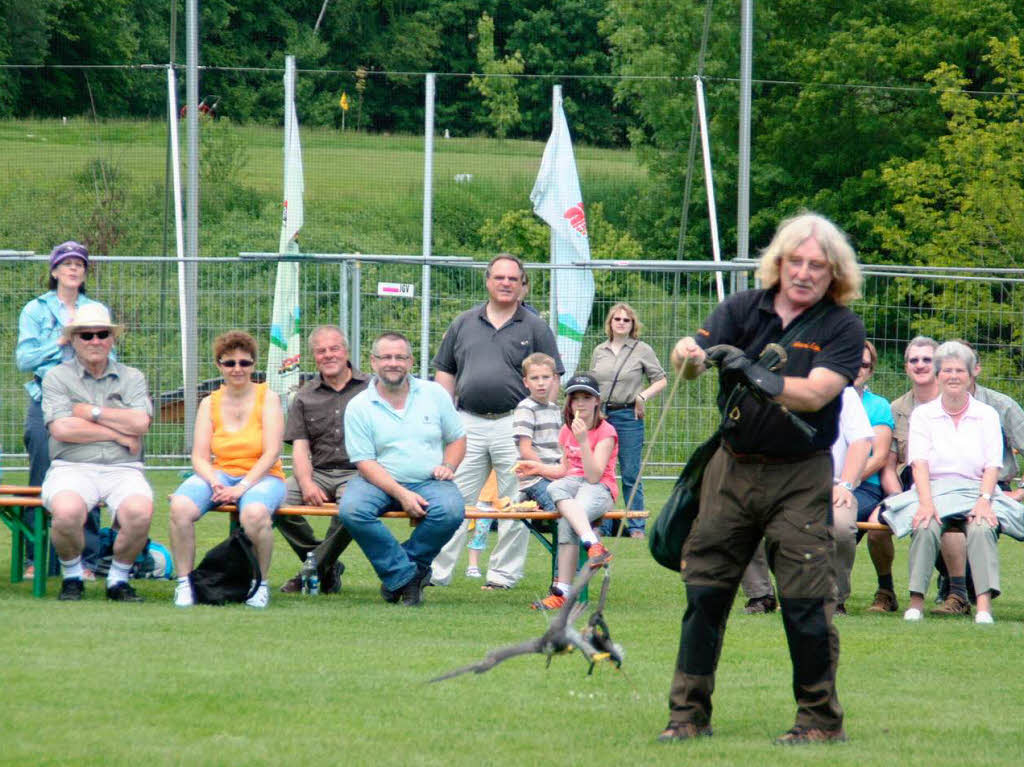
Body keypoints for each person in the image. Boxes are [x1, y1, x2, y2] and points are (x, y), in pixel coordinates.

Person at [663, 212, 864, 745]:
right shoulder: (740, 308)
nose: (803, 272)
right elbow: (689, 366)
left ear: (834, 273)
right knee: (704, 591)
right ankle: (687, 716)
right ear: (778, 262)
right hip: (731, 468)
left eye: (816, 265)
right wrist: (686, 353)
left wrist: (751, 370)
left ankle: (819, 721)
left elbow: (818, 393)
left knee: (804, 601)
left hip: (800, 473)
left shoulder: (841, 325)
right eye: (795, 261)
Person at [430, 254, 563, 591]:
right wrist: (448, 417)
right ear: (487, 281)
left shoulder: (535, 327)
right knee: (452, 500)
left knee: (516, 502)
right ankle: (436, 572)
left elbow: (554, 375)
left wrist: (542, 420)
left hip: (516, 427)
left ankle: (502, 576)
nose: (506, 283)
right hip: (467, 425)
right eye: (499, 277)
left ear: (523, 285)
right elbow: (445, 370)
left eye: (513, 279)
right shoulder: (463, 322)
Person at [340, 332, 466, 606]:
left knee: (452, 510)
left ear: (410, 362)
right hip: (376, 481)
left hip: (429, 479)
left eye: (400, 357)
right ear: (373, 362)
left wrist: (449, 464)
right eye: (386, 357)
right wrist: (401, 494)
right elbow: (365, 462)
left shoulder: (434, 394)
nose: (393, 363)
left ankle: (402, 570)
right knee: (352, 510)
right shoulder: (359, 406)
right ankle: (407, 576)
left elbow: (457, 437)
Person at [40, 304, 154, 602]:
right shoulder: (56, 377)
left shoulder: (133, 377)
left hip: (124, 468)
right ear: (74, 340)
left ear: (112, 339)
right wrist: (117, 431)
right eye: (86, 335)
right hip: (71, 465)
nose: (95, 341)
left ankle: (118, 579)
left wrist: (89, 412)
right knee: (65, 514)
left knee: (140, 513)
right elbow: (62, 429)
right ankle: (73, 575)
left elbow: (140, 422)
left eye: (102, 334)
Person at [887, 342, 1003, 624]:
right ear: (938, 375)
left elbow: (993, 465)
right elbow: (919, 464)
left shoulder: (987, 414)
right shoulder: (923, 415)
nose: (953, 376)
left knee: (981, 525)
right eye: (947, 370)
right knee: (925, 523)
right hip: (933, 490)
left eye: (959, 370)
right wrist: (925, 504)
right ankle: (916, 603)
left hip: (977, 490)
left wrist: (984, 501)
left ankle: (984, 607)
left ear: (971, 375)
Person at [169, 331, 286, 609]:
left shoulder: (268, 398)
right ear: (219, 365)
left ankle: (260, 584)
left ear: (254, 365)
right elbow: (198, 456)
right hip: (220, 473)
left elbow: (272, 453)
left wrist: (242, 487)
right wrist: (216, 484)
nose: (237, 369)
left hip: (263, 476)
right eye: (229, 363)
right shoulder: (209, 402)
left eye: (244, 363)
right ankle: (184, 583)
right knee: (180, 507)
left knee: (255, 514)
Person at [16, 240, 108, 578]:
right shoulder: (35, 310)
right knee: (41, 476)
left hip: (85, 403)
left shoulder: (95, 309)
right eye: (67, 264)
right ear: (54, 271)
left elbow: (108, 356)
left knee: (90, 476)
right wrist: (61, 341)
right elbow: (24, 359)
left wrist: (89, 350)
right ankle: (33, 557)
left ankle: (87, 560)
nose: (73, 269)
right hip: (45, 401)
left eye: (80, 265)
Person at [275, 325, 370, 594]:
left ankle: (314, 567)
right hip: (317, 470)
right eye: (321, 351)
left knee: (353, 508)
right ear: (313, 356)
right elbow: (300, 448)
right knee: (274, 500)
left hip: (360, 472)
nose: (328, 355)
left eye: (334, 348)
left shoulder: (372, 389)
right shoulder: (304, 396)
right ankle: (326, 563)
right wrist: (306, 484)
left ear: (346, 351)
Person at [518, 372, 616, 610]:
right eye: (575, 398)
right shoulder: (566, 430)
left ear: (596, 401)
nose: (580, 403)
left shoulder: (606, 431)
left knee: (568, 521)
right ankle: (593, 545)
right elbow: (565, 469)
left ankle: (562, 591)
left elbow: (594, 476)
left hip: (599, 487)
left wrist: (583, 440)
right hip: (572, 485)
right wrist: (538, 467)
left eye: (586, 397)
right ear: (569, 403)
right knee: (556, 488)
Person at [590, 302, 667, 539]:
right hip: (602, 415)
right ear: (610, 323)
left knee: (631, 471)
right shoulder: (599, 350)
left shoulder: (641, 349)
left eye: (627, 320)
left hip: (628, 416)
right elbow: (593, 383)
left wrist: (642, 396)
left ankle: (635, 526)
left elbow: (661, 379)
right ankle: (601, 523)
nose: (622, 323)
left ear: (633, 324)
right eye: (617, 319)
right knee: (600, 471)